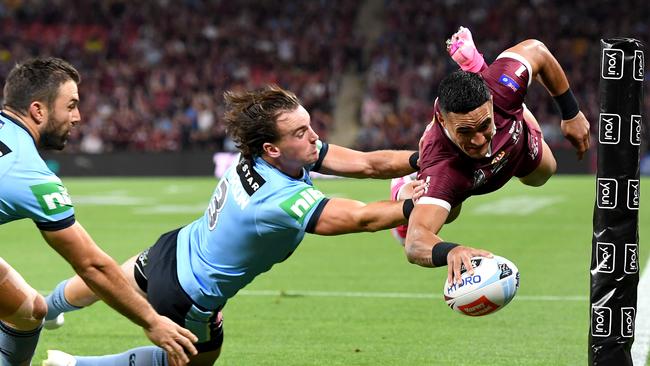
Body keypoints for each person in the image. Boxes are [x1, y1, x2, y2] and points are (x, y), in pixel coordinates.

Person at [42, 85, 424, 366]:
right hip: (189, 295)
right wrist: (417, 203)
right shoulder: (276, 197)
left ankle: (42, 308)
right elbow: (361, 217)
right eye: (300, 132)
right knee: (192, 361)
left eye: (310, 126)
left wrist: (422, 160)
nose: (314, 137)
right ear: (272, 149)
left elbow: (369, 164)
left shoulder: (272, 155)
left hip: (172, 248)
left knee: (107, 280)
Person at [0, 57, 199, 365]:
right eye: (71, 106)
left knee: (29, 311)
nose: (78, 117)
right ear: (38, 110)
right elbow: (92, 266)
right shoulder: (30, 175)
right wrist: (152, 321)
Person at [391, 27, 591, 285]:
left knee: (544, 172)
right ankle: (404, 187)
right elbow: (416, 242)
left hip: (513, 144)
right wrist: (451, 250)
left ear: (490, 102)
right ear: (442, 120)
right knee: (449, 213)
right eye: (465, 131)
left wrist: (571, 113)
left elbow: (538, 52)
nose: (478, 140)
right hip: (461, 171)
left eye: (483, 125)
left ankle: (476, 66)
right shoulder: (442, 167)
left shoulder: (501, 85)